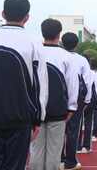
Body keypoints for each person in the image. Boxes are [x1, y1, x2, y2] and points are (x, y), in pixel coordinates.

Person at [0, 0, 48, 170]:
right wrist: (38, 119)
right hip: (20, 117)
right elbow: (40, 84)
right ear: (27, 17)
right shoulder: (34, 44)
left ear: (3, 13)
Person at [30, 18, 79, 170]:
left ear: (42, 32)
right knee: (54, 152)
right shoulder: (67, 57)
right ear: (59, 34)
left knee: (36, 151)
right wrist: (71, 108)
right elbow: (72, 85)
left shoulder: (33, 53)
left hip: (35, 109)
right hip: (58, 110)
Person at [61, 32, 93, 170]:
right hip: (76, 99)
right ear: (77, 44)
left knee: (57, 129)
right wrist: (87, 100)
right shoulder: (82, 60)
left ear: (62, 42)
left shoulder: (57, 56)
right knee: (73, 131)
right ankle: (70, 161)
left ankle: (58, 158)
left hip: (58, 97)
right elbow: (87, 81)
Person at [79, 58, 97, 153]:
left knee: (78, 125)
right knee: (88, 123)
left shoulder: (78, 70)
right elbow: (96, 89)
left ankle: (77, 146)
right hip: (90, 100)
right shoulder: (93, 74)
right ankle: (86, 146)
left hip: (80, 100)